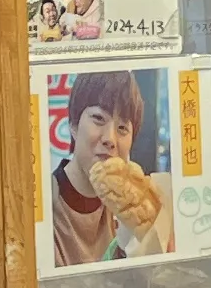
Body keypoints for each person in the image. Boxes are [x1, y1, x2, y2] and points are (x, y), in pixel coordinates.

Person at [48, 72, 174, 266]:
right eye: (98, 118)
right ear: (73, 124)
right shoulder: (45, 205)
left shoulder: (138, 206)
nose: (110, 139)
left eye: (122, 128)